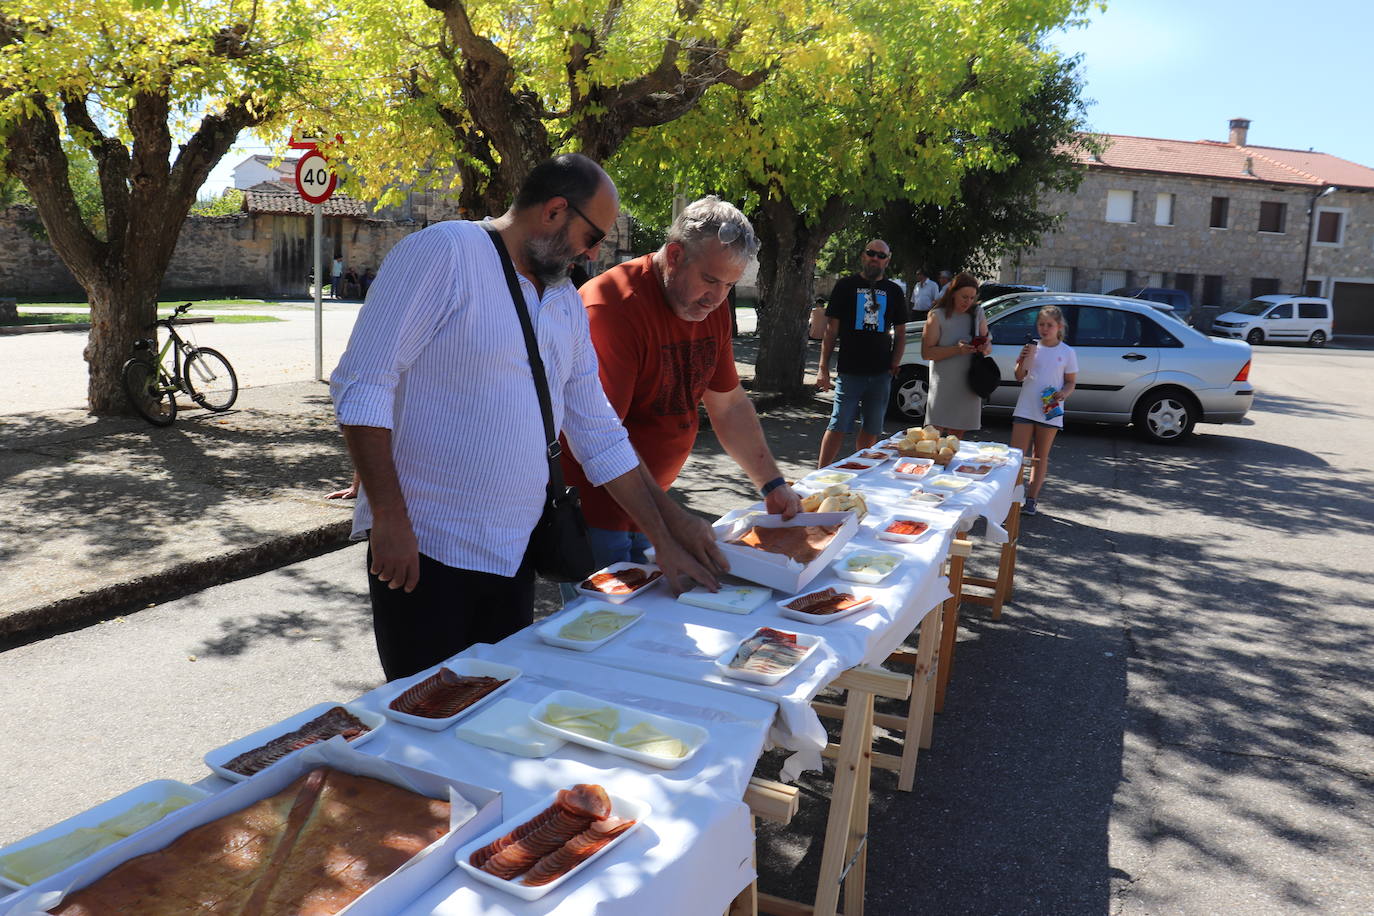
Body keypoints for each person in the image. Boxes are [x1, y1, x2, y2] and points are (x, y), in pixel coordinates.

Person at [330, 153, 726, 681]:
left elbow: (600, 435)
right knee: (424, 720)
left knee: (491, 717)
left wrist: (670, 529)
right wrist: (389, 517)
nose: (595, 252)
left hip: (514, 554)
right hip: (426, 549)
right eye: (592, 237)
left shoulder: (562, 299)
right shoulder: (445, 253)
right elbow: (363, 383)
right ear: (556, 211)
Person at [562, 196, 800, 572]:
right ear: (674, 255)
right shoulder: (612, 309)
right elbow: (601, 439)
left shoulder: (711, 304)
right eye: (709, 280)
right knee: (611, 625)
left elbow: (729, 404)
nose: (717, 298)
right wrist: (668, 528)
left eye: (729, 285)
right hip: (596, 515)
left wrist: (772, 484)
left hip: (653, 504)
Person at [814, 240, 908, 467]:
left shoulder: (894, 291)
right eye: (871, 253)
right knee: (838, 425)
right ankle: (818, 475)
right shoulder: (845, 286)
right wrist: (822, 368)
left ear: (888, 260)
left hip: (880, 374)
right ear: (863, 256)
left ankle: (863, 473)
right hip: (849, 372)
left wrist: (895, 361)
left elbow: (902, 332)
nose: (875, 258)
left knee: (871, 429)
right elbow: (831, 331)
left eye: (881, 255)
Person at [1010, 305, 1077, 516]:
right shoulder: (1032, 347)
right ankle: (1012, 496)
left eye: (1050, 325)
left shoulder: (1067, 352)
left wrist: (1063, 394)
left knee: (1040, 456)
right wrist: (1021, 359)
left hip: (1049, 409)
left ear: (1059, 327)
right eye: (1041, 324)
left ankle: (1031, 499)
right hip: (1026, 406)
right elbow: (1019, 376)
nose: (1045, 329)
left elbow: (1070, 382)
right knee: (1016, 456)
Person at [922, 271, 990, 436]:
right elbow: (926, 353)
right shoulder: (936, 315)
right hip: (943, 385)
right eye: (964, 297)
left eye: (972, 298)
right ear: (953, 294)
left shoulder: (977, 313)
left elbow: (988, 346)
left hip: (969, 383)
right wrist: (956, 350)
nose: (968, 302)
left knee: (955, 443)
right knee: (932, 438)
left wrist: (983, 347)